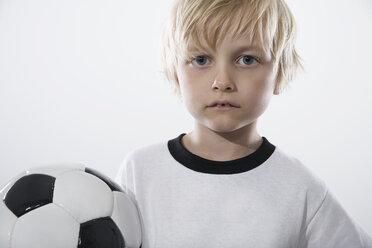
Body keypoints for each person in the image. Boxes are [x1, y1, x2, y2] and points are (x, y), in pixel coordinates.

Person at [115, 0, 372, 247]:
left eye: (247, 60)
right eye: (201, 60)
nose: (222, 81)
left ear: (280, 73)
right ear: (175, 73)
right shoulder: (139, 171)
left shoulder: (302, 189)